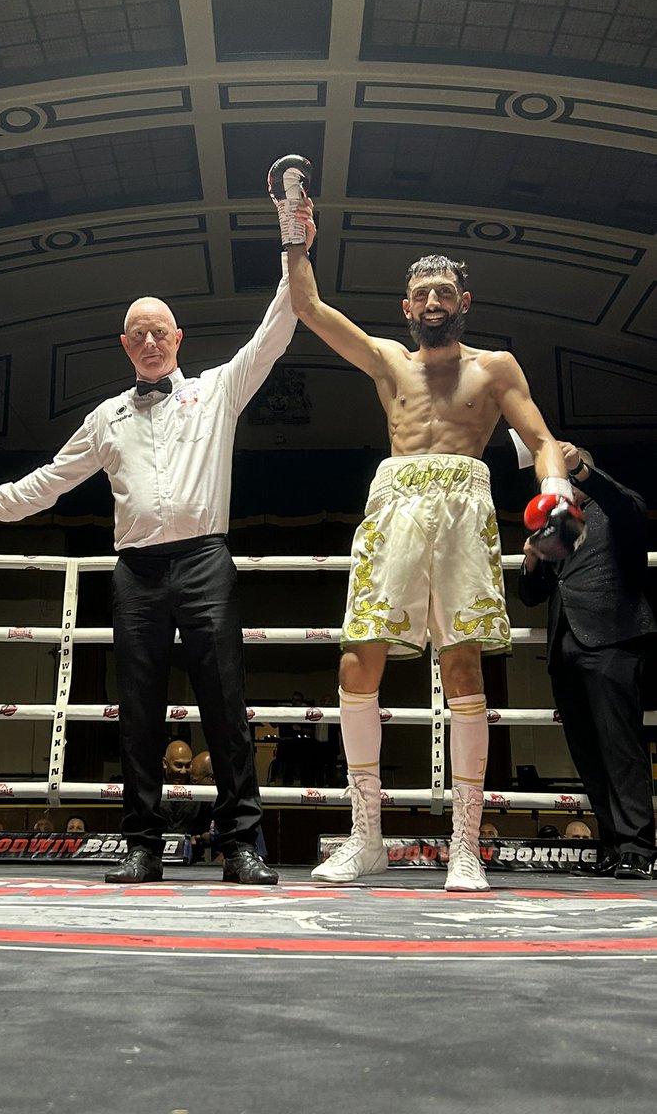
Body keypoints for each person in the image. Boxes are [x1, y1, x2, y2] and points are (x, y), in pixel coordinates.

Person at [0, 220, 306, 887]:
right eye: (137, 332)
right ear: (125, 345)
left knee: (226, 705)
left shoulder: (217, 390)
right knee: (137, 710)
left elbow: (276, 330)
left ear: (178, 339)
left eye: (159, 330)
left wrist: (295, 250)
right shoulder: (106, 417)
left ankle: (240, 844)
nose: (148, 340)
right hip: (137, 570)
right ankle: (142, 845)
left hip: (204, 561)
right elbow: (49, 483)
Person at [276, 172, 577, 892]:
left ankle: (465, 847)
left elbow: (540, 440)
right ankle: (366, 836)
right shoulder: (387, 360)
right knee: (359, 662)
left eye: (446, 292)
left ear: (463, 303)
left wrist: (556, 496)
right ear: (407, 306)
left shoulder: (495, 367)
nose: (435, 302)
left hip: (465, 504)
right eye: (424, 294)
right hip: (397, 505)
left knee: (464, 667)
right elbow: (310, 307)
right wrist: (295, 239)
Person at [518, 443, 657, 880]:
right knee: (587, 753)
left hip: (612, 637)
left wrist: (577, 467)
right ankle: (615, 845)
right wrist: (532, 559)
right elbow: (531, 595)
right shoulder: (551, 525)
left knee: (621, 747)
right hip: (565, 646)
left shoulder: (612, 509)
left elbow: (632, 505)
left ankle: (641, 847)